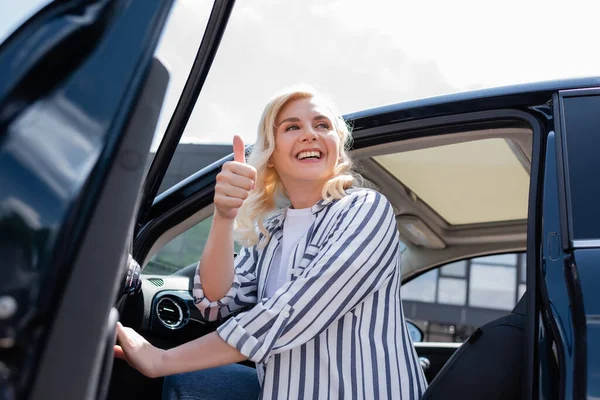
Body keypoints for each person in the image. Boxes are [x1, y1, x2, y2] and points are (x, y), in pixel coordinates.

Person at [115, 85, 428, 399]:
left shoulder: (365, 209)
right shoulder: (272, 232)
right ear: (272, 153)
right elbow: (215, 301)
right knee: (194, 383)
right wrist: (224, 215)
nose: (310, 134)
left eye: (323, 125)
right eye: (292, 127)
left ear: (337, 145)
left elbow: (292, 313)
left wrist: (163, 359)